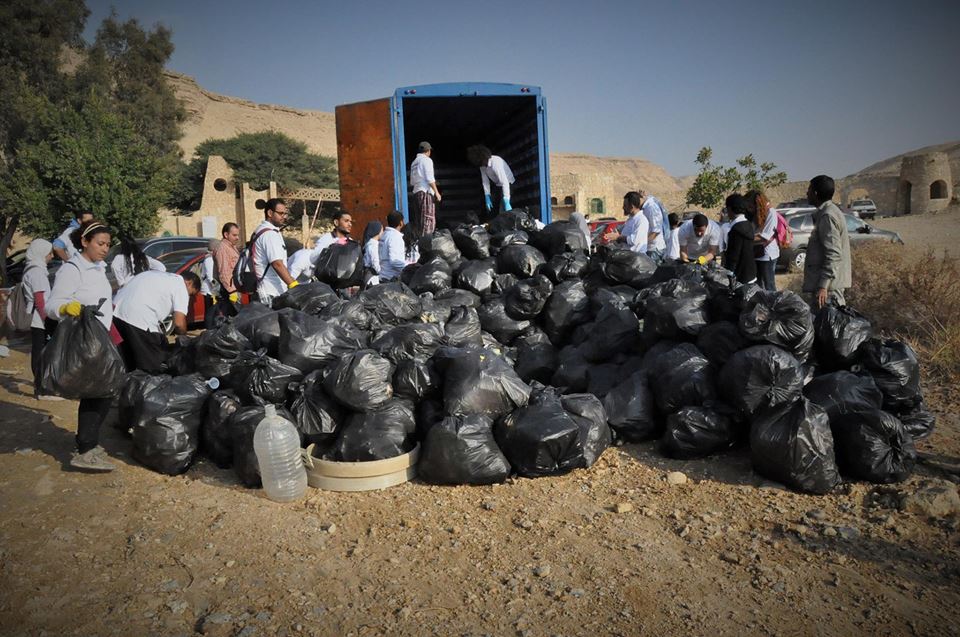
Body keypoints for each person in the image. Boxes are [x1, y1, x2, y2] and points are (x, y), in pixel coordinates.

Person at [45, 220, 116, 472]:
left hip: (100, 337)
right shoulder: (73, 269)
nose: (105, 248)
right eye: (100, 243)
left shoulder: (98, 267)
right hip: (84, 339)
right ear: (84, 242)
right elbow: (51, 305)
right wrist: (65, 307)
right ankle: (85, 449)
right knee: (98, 391)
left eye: (108, 244)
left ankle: (88, 443)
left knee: (102, 390)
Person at [113, 271, 201, 373]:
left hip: (116, 314)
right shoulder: (180, 285)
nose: (189, 297)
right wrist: (184, 341)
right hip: (138, 319)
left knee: (127, 361)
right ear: (189, 283)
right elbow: (179, 323)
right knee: (153, 365)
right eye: (191, 293)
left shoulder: (158, 274)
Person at [803, 175, 851, 309]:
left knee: (829, 326)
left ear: (815, 193)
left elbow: (834, 254)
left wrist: (823, 285)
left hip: (828, 290)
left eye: (809, 190)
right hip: (828, 286)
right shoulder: (829, 212)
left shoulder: (827, 216)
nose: (807, 193)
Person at [20, 239, 59, 399]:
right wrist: (48, 321)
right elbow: (40, 299)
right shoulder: (36, 272)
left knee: (39, 352)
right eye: (49, 253)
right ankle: (42, 389)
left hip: (38, 319)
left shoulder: (32, 269)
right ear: (41, 254)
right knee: (42, 354)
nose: (51, 256)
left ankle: (42, 387)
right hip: (41, 320)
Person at [252, 198, 297, 305]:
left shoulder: (260, 230)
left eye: (285, 214)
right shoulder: (269, 234)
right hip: (271, 292)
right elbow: (277, 264)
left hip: (266, 290)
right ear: (270, 213)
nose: (284, 217)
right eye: (281, 213)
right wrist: (293, 285)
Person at [467, 145, 515, 219]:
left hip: (508, 184)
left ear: (484, 159)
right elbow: (485, 181)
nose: (482, 166)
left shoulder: (496, 163)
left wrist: (506, 199)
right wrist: (487, 196)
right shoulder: (482, 166)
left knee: (503, 210)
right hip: (498, 185)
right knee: (492, 209)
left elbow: (504, 182)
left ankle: (505, 228)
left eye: (481, 163)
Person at [747, 190, 781, 291]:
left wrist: (746, 239)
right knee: (757, 286)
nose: (749, 209)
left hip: (767, 254)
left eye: (751, 206)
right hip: (756, 253)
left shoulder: (771, 212)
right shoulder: (754, 215)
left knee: (769, 285)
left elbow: (765, 236)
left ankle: (773, 306)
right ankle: (762, 306)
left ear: (757, 204)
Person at [722, 194, 758, 284]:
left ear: (730, 209)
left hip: (740, 277)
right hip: (751, 272)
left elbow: (734, 255)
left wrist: (728, 273)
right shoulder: (748, 225)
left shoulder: (736, 229)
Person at [410, 141, 441, 237]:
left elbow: (412, 181)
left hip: (416, 193)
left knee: (419, 221)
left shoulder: (414, 162)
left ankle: (419, 245)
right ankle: (427, 247)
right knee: (428, 220)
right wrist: (437, 192)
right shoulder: (426, 160)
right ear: (428, 151)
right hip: (425, 192)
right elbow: (429, 178)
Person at [213, 222, 241, 318]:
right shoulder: (222, 248)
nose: (237, 238)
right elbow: (224, 272)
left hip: (233, 288)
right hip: (227, 291)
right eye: (234, 235)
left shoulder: (231, 247)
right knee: (228, 320)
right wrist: (232, 291)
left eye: (237, 235)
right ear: (226, 234)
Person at [638, 190, 667, 262]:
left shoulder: (651, 208)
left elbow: (656, 231)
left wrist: (643, 243)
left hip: (654, 249)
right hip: (651, 248)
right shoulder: (647, 207)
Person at [379, 211, 407, 282]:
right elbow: (395, 261)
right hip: (391, 278)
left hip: (382, 276)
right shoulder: (395, 237)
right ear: (401, 223)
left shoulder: (384, 235)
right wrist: (409, 268)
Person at [201, 240, 219, 328]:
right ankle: (209, 329)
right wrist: (216, 290)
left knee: (213, 311)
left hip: (212, 289)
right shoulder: (209, 259)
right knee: (210, 311)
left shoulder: (212, 258)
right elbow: (210, 277)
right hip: (209, 290)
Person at [362, 221, 383, 286]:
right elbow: (375, 262)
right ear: (377, 231)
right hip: (372, 278)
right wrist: (382, 274)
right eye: (382, 230)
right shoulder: (373, 245)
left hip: (369, 276)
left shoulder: (369, 243)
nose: (383, 232)